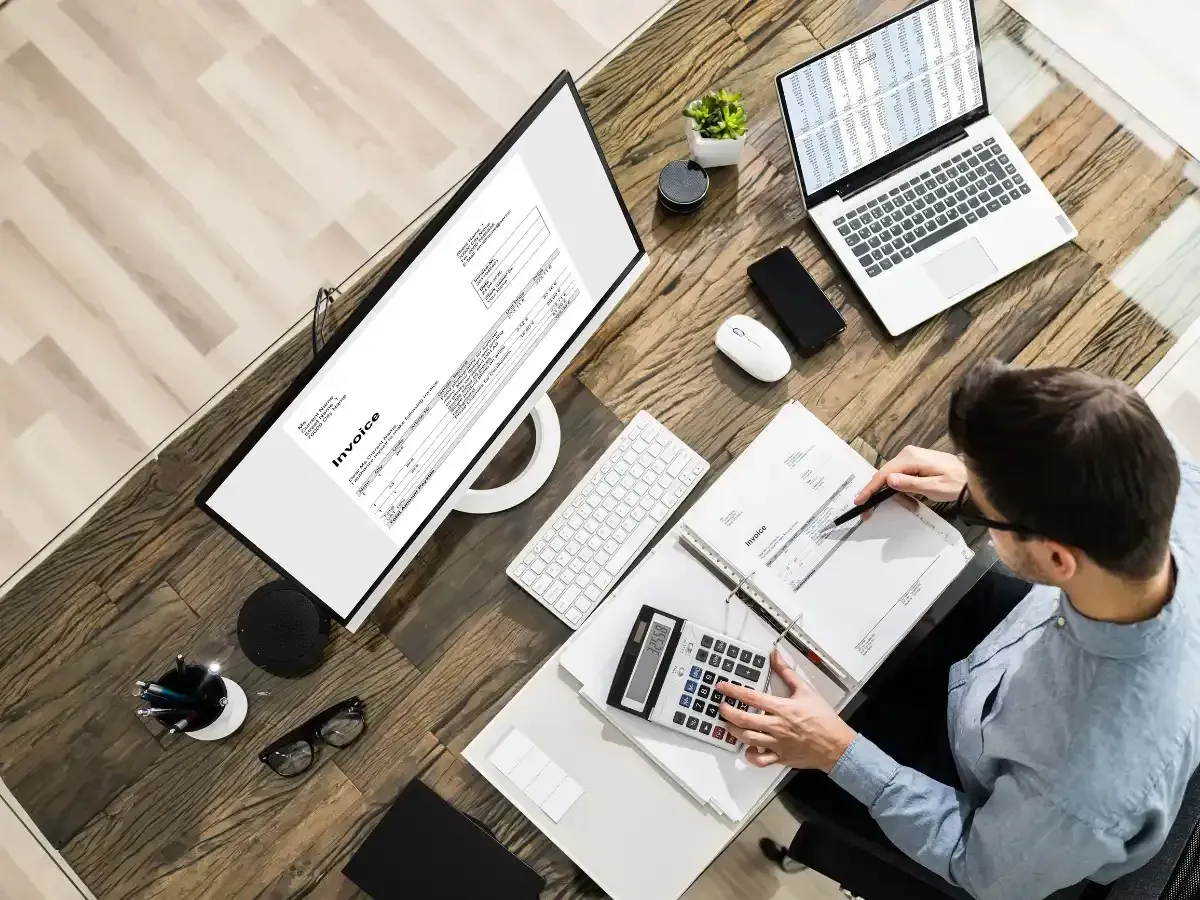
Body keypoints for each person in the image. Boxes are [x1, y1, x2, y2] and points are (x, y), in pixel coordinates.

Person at [715, 359, 1200, 900]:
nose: (981, 511)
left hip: (1002, 816)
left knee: (797, 770)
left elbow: (979, 867)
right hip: (1017, 659)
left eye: (992, 517)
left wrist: (835, 751)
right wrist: (980, 486)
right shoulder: (1154, 466)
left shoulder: (1082, 786)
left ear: (1060, 559)